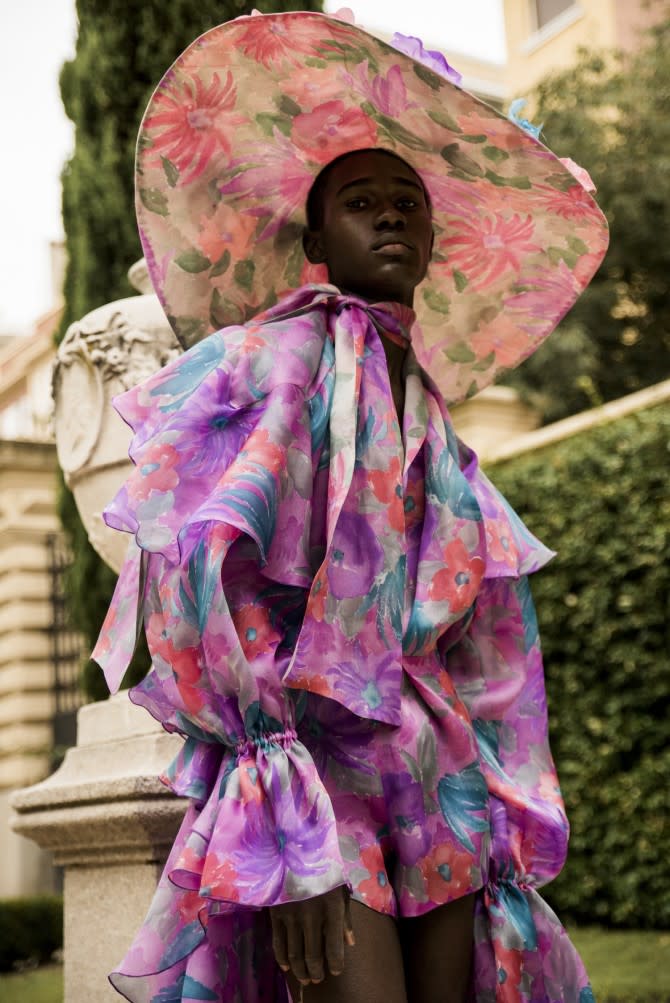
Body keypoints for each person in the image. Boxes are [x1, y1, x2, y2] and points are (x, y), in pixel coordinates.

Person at [92, 11, 609, 1003]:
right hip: (319, 777)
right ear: (315, 236)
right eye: (361, 201)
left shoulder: (437, 418)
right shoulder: (276, 363)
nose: (390, 219)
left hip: (439, 784)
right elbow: (197, 566)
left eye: (408, 203)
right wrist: (273, 817)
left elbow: (487, 638)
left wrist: (498, 803)